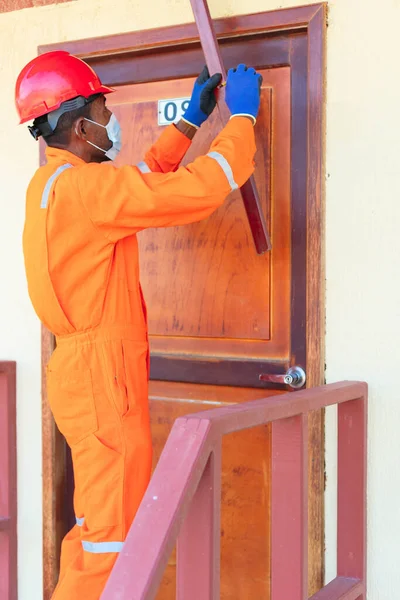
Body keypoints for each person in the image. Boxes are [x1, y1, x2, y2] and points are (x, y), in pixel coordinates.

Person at [15, 50, 262, 599]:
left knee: (97, 530)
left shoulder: (54, 186)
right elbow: (198, 189)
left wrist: (189, 122)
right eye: (104, 112)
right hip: (103, 378)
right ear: (80, 125)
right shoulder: (85, 191)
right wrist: (241, 121)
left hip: (82, 371)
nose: (111, 122)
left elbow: (140, 184)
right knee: (112, 543)